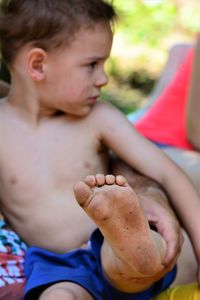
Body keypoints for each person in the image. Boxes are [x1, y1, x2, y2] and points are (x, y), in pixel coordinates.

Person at [0, 0, 200, 299]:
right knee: (57, 296)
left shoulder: (99, 118)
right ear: (38, 65)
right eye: (92, 65)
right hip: (56, 264)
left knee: (131, 254)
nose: (103, 79)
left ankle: (133, 243)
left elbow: (168, 174)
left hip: (107, 247)